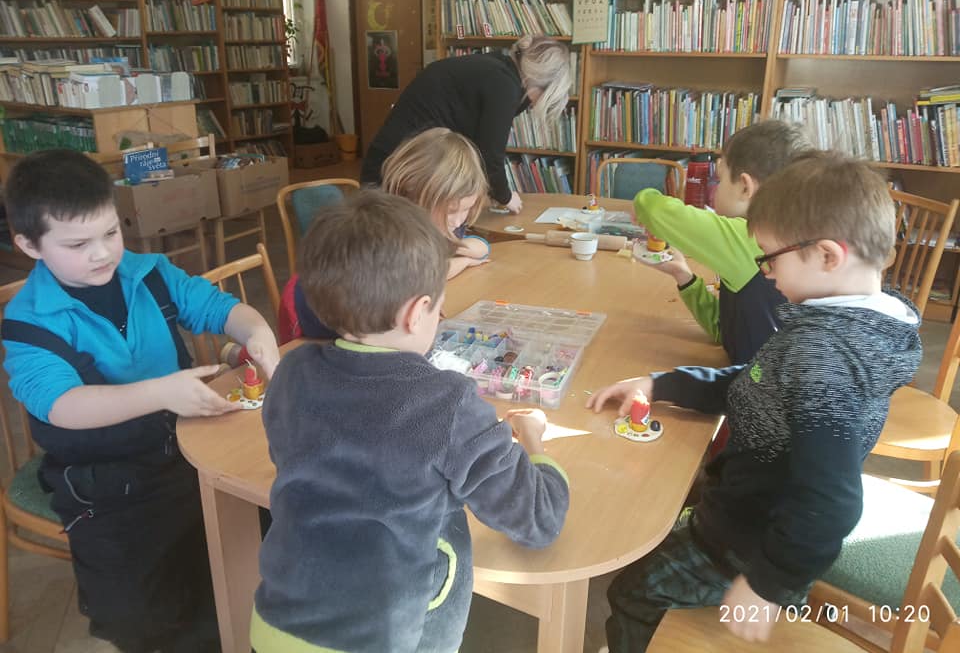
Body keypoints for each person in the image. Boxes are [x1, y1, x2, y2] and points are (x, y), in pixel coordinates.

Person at [588, 152, 922, 652]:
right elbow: (759, 380)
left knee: (633, 593)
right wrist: (665, 385)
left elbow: (831, 501)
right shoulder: (857, 324)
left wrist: (768, 584)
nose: (763, 272)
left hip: (751, 540)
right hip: (751, 515)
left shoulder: (823, 354)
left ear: (828, 256)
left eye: (769, 256)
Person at [252, 190, 570, 653]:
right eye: (438, 306)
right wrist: (535, 443)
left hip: (274, 626)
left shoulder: (293, 372)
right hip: (382, 638)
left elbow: (294, 457)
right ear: (417, 312)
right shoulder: (448, 402)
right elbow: (538, 518)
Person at [1, 150, 281, 653]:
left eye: (111, 232)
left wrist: (258, 333)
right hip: (107, 479)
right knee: (148, 612)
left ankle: (238, 625)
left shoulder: (149, 273)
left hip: (184, 448)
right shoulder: (29, 322)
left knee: (252, 541)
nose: (102, 254)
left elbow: (219, 309)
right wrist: (162, 393)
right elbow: (62, 405)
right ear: (29, 244)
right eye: (78, 244)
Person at [633, 119, 812, 365]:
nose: (714, 189)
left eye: (720, 179)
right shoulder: (784, 238)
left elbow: (652, 210)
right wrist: (684, 277)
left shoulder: (747, 236)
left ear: (745, 188)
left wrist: (644, 199)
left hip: (755, 385)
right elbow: (726, 332)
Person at [291, 127, 491, 341]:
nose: (458, 221)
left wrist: (458, 251)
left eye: (466, 209)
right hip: (328, 329)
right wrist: (458, 263)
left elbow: (481, 248)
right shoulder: (382, 238)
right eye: (451, 211)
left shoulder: (433, 226)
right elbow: (406, 287)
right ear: (413, 196)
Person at [360, 35, 572, 214]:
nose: (535, 104)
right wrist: (506, 197)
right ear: (540, 82)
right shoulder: (504, 86)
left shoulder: (495, 68)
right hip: (397, 174)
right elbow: (489, 156)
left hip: (398, 165)